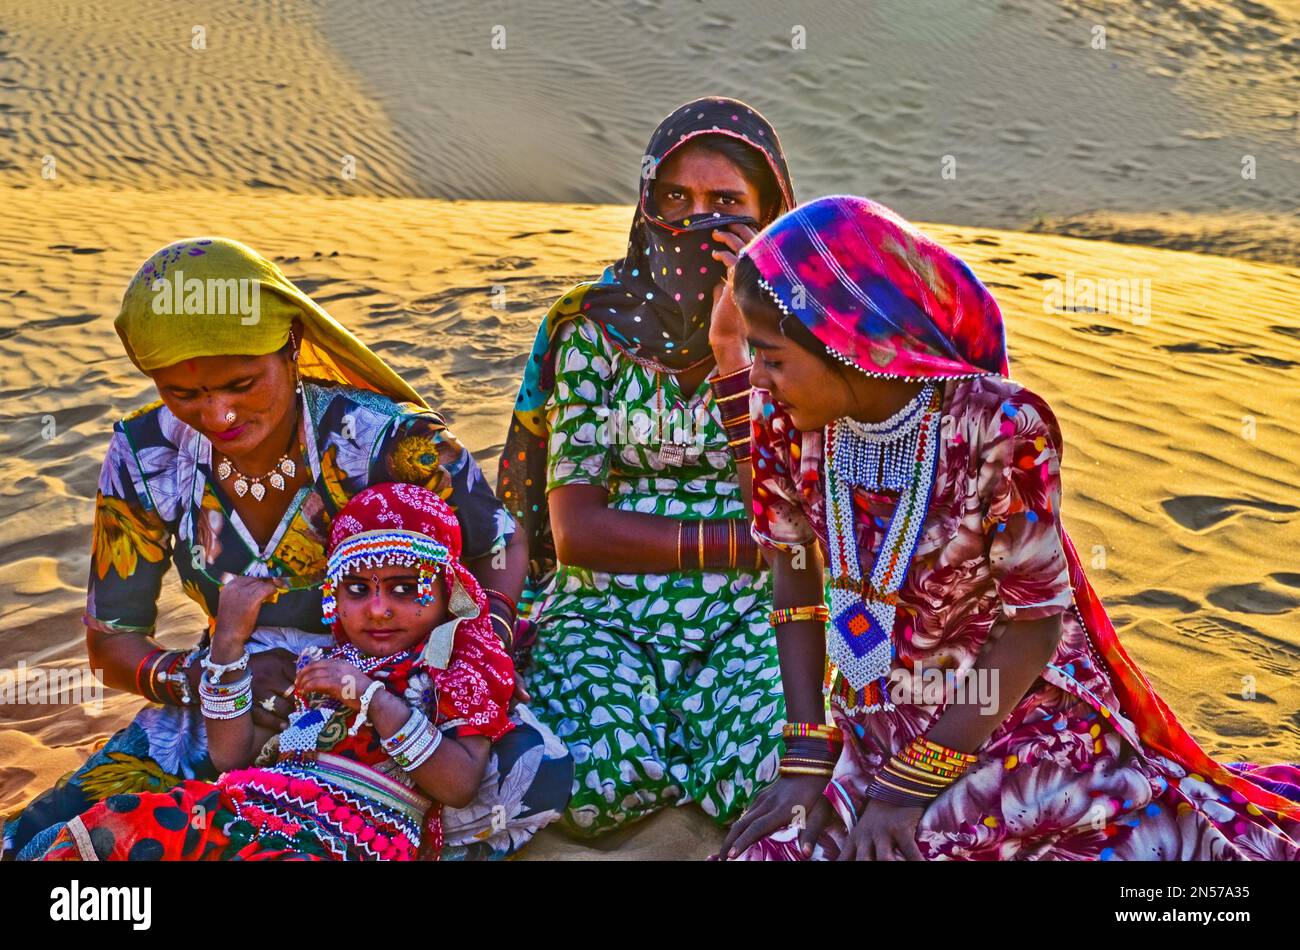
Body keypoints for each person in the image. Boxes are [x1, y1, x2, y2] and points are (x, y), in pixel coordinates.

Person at [719, 195, 1300, 860]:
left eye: (771, 356)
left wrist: (908, 788)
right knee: (771, 849)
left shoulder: (998, 427)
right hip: (878, 715)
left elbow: (1034, 625)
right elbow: (793, 571)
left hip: (1011, 716)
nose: (757, 377)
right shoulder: (784, 422)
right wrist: (804, 753)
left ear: (846, 342)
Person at [4, 238, 571, 861]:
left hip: (412, 674)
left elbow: (499, 541)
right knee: (47, 833)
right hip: (237, 691)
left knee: (529, 772)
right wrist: (219, 677)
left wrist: (472, 650)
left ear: (292, 346)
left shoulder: (384, 438)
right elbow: (112, 642)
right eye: (182, 393)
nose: (217, 414)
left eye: (242, 383)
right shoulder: (145, 456)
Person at [496, 97, 796, 836]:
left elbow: (794, 499)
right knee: (592, 786)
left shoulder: (801, 333)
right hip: (605, 605)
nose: (695, 221)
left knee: (766, 779)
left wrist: (733, 349)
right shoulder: (595, 325)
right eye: (674, 199)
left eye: (725, 203)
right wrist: (746, 547)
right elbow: (577, 531)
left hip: (753, 612)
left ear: (772, 214)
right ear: (644, 203)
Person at [38, 482, 542, 860]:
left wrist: (373, 700)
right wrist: (228, 645)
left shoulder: (456, 665)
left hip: (348, 839)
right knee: (118, 824)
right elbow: (232, 758)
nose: (380, 609)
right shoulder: (319, 666)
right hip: (240, 809)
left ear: (446, 592)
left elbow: (458, 786)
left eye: (405, 588)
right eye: (358, 588)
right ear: (334, 599)